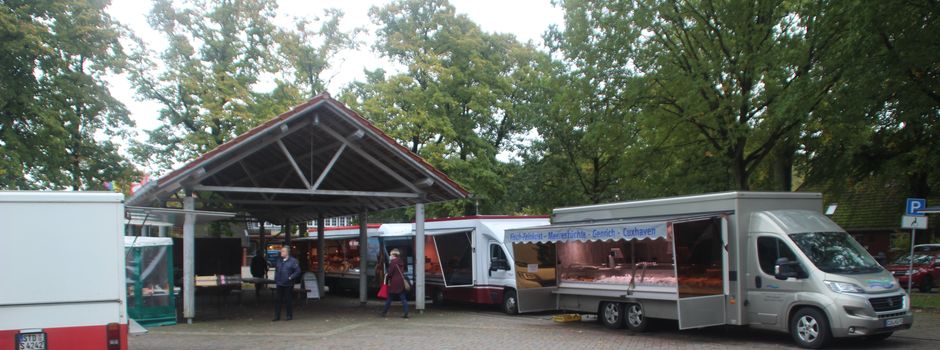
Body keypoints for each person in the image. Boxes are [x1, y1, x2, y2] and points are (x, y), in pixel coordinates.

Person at [273, 247, 301, 321]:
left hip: (288, 284)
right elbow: (276, 270)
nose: (281, 252)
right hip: (279, 283)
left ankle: (289, 315)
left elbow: (298, 271)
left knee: (288, 300)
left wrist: (290, 277)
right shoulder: (279, 260)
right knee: (277, 300)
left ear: (287, 252)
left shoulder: (293, 261)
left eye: (283, 251)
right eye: (281, 251)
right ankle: (277, 316)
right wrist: (276, 279)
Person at [380, 248, 409, 318]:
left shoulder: (393, 262)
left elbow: (390, 273)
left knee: (390, 298)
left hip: (394, 282)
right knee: (403, 298)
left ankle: (384, 312)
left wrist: (387, 275)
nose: (390, 256)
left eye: (391, 255)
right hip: (401, 281)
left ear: (394, 255)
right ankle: (406, 312)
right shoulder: (401, 261)